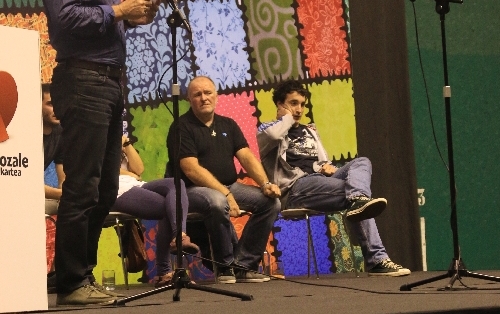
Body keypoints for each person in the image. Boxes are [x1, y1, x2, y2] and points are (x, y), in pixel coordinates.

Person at [40, 0, 159, 306]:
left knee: (107, 188)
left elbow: (103, 19)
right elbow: (66, 20)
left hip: (109, 81)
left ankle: (77, 275)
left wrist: (131, 16)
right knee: (83, 186)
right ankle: (72, 283)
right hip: (84, 80)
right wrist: (118, 10)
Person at [257, 79, 410, 276]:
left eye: (302, 104)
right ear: (280, 104)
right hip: (295, 189)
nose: (299, 110)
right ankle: (377, 259)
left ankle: (358, 200)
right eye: (293, 103)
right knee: (358, 198)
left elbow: (320, 160)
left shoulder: (310, 130)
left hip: (318, 181)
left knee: (361, 162)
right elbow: (274, 136)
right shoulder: (266, 129)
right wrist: (286, 119)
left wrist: (325, 166)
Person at [166, 76, 281, 283]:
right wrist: (225, 193)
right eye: (197, 94)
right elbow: (191, 169)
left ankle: (243, 265)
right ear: (189, 100)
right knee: (218, 202)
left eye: (208, 93)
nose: (204, 98)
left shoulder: (228, 124)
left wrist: (265, 184)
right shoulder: (181, 127)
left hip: (229, 186)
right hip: (191, 190)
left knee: (271, 203)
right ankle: (224, 267)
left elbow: (246, 156)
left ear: (216, 95)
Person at [114, 135, 198, 285]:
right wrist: (129, 174)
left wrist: (126, 143)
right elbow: (101, 169)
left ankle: (180, 236)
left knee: (176, 183)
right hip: (115, 189)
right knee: (169, 206)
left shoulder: (117, 138)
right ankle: (164, 270)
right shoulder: (94, 136)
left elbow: (139, 169)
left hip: (135, 184)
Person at [42, 83, 64, 214]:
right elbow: (27, 183)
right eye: (50, 104)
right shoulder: (27, 133)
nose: (57, 108)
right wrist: (63, 195)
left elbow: (63, 177)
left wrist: (65, 196)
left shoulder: (60, 132)